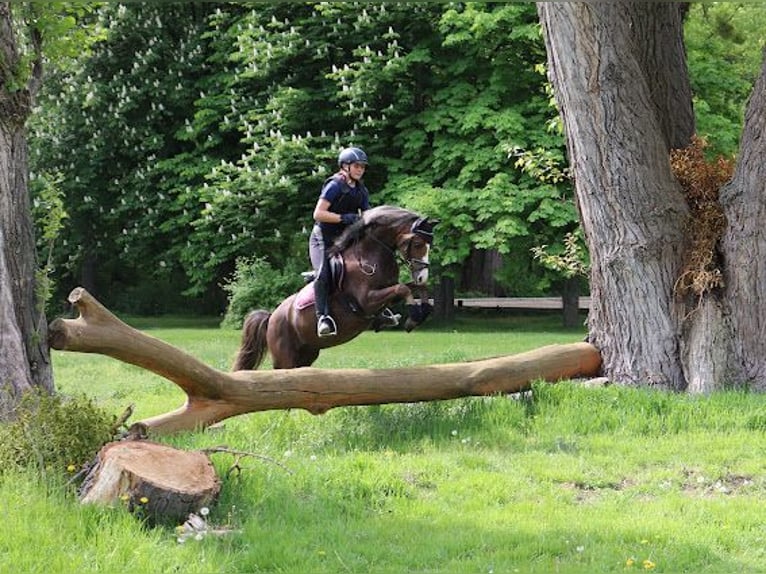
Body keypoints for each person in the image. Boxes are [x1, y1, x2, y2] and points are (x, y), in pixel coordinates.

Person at [309, 146, 399, 337]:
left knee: (369, 266)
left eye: (362, 167)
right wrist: (344, 218)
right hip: (322, 238)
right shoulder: (334, 186)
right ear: (345, 166)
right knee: (323, 273)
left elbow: (366, 215)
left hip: (345, 237)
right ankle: (322, 318)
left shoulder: (361, 190)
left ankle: (379, 310)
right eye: (357, 166)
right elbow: (318, 214)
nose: (360, 170)